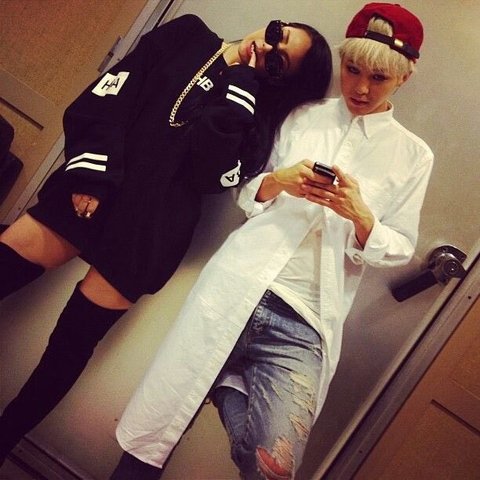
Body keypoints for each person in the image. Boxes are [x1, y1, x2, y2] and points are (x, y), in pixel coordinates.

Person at [111, 3, 434, 479]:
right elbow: (245, 191)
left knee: (272, 468)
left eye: (379, 78)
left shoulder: (413, 156)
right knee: (159, 427)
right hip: (236, 284)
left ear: (404, 78)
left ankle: (226, 385)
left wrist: (361, 215)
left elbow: (401, 245)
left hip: (305, 319)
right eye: (352, 70)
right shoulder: (303, 116)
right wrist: (279, 182)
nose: (361, 88)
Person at [0, 14, 333, 466]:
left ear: (280, 82)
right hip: (96, 187)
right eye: (278, 35)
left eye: (279, 63)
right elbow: (112, 93)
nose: (268, 48)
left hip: (150, 231)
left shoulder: (254, 118)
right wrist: (92, 176)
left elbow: (211, 174)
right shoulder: (187, 34)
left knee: (68, 351)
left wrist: (241, 85)